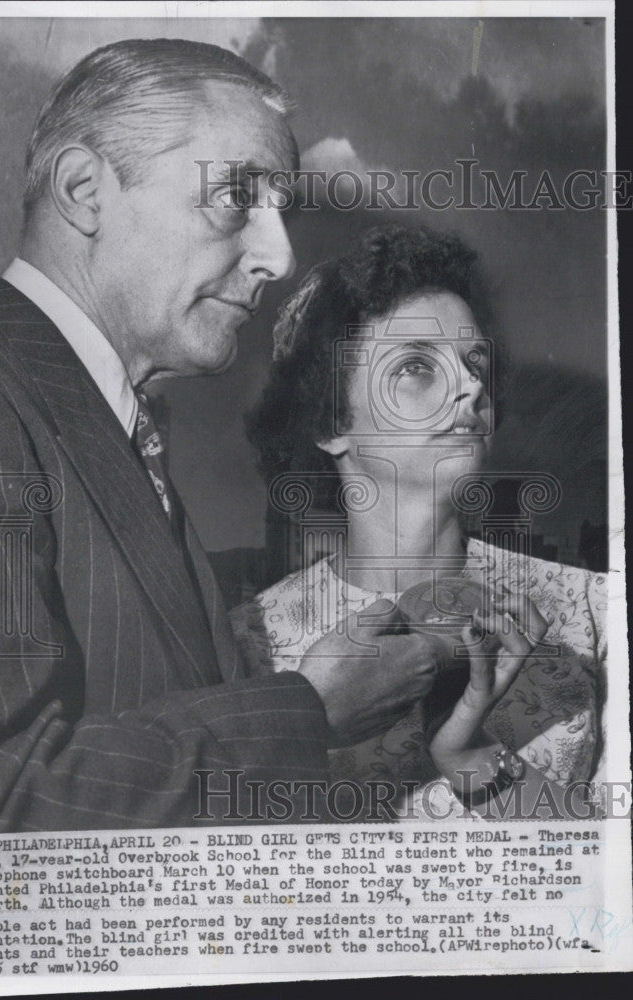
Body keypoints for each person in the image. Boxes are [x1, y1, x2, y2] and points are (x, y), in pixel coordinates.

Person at [0, 40, 452, 833]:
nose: (277, 256)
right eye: (236, 195)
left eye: (282, 209)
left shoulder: (95, 412)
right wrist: (309, 708)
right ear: (84, 190)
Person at [241, 225, 607, 819]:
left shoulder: (592, 610)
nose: (471, 387)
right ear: (331, 422)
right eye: (416, 366)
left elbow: (615, 889)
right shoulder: (249, 647)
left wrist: (471, 757)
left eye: (474, 361)